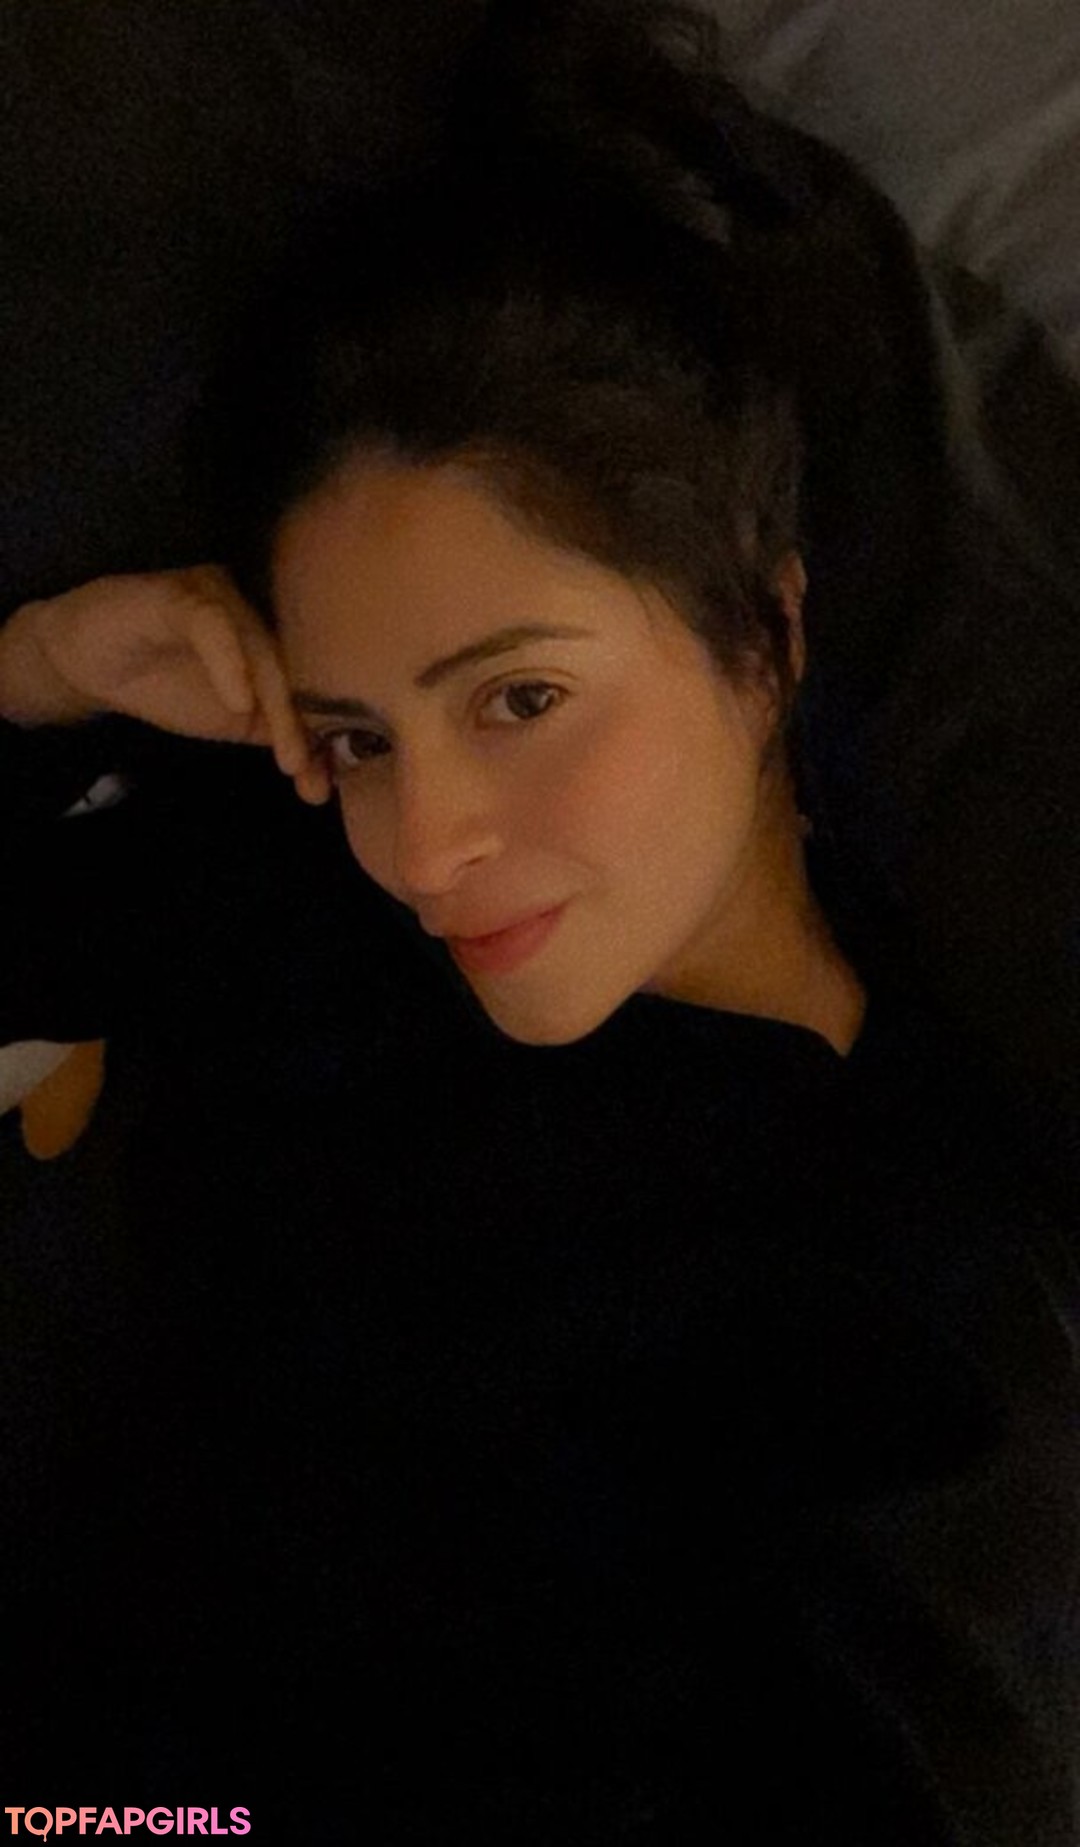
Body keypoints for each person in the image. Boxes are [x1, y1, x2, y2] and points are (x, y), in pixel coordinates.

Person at [2, 3, 1078, 1841]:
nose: (428, 845)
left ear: (767, 636)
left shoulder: (921, 1313)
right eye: (360, 733)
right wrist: (37, 670)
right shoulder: (304, 884)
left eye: (519, 699)